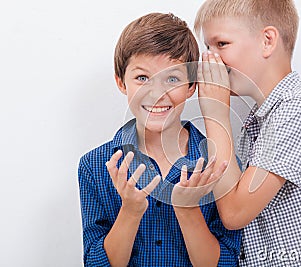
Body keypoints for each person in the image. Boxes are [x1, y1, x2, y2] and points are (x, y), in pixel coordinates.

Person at [190, 0, 301, 266]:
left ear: (267, 41)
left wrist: (215, 113)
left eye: (221, 44)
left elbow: (236, 212)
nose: (209, 59)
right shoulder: (258, 123)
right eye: (207, 47)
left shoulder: (300, 108)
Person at [78, 12, 241, 267]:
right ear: (121, 82)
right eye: (142, 78)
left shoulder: (220, 164)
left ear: (191, 87)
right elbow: (97, 263)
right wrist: (130, 210)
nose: (157, 93)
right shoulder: (95, 165)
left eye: (172, 79)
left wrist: (188, 210)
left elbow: (226, 262)